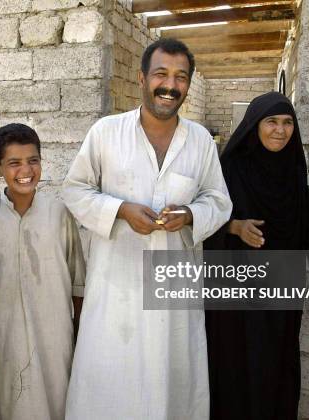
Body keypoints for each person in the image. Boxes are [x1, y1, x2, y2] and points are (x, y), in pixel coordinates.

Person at [62, 38, 232, 419]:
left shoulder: (201, 140)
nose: (170, 85)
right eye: (161, 74)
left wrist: (188, 215)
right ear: (141, 78)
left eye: (180, 77)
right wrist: (120, 209)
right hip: (115, 289)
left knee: (171, 383)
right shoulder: (106, 132)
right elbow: (74, 190)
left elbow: (219, 201)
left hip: (173, 293)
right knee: (110, 384)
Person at [203, 91, 309, 420]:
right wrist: (233, 228)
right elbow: (204, 221)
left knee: (275, 366)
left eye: (288, 122)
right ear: (254, 126)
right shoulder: (230, 169)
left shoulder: (292, 171)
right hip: (236, 295)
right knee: (235, 366)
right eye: (272, 122)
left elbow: (305, 220)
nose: (280, 130)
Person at [0, 123, 85, 420]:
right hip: (5, 337)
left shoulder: (59, 213)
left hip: (56, 336)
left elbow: (78, 283)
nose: (25, 170)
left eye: (32, 161)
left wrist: (79, 338)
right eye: (14, 163)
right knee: (12, 403)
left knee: (60, 401)